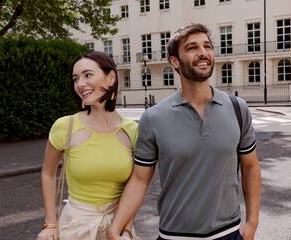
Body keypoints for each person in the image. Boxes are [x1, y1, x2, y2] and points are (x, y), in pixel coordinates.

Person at [108, 23, 261, 240]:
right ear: (175, 61)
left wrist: (253, 222)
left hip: (229, 233)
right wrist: (117, 226)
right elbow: (140, 179)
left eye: (207, 46)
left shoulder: (238, 108)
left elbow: (251, 166)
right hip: (175, 235)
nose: (203, 53)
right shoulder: (154, 118)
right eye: (192, 48)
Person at [37, 51, 138, 240]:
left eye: (87, 75)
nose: (80, 84)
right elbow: (47, 173)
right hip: (76, 227)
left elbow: (137, 186)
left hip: (118, 228)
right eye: (75, 79)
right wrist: (51, 223)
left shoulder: (133, 131)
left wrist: (126, 229)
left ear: (111, 78)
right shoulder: (65, 126)